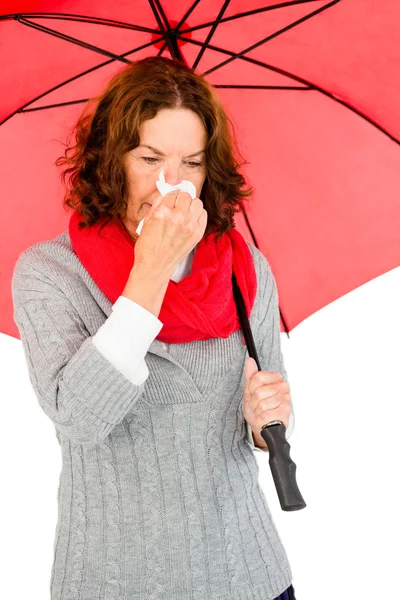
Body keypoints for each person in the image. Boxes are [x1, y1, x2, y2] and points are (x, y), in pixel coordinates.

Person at [11, 56, 296, 600]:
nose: (173, 182)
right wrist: (151, 270)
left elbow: (261, 423)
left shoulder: (244, 267)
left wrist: (266, 422)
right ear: (110, 161)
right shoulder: (49, 272)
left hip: (248, 574)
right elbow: (78, 418)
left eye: (191, 161)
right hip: (114, 581)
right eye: (150, 158)